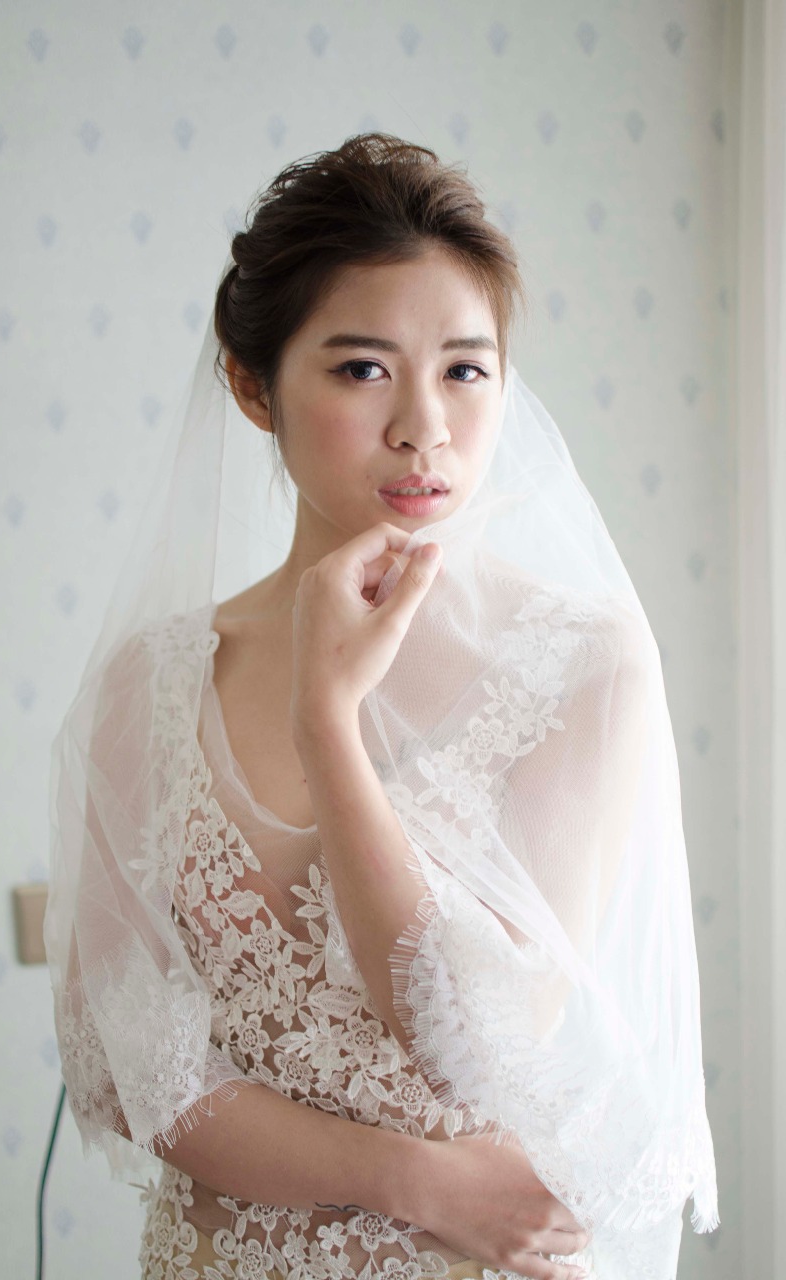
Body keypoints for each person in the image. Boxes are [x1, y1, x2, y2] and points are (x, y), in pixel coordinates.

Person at [45, 133, 718, 1280]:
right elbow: (131, 1070)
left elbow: (472, 1041)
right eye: (362, 369)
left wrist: (326, 721)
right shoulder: (145, 683)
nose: (424, 427)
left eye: (464, 369)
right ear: (251, 385)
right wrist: (410, 1178)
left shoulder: (581, 665)